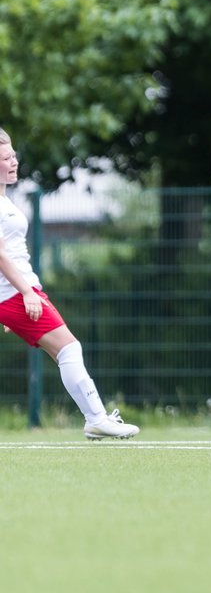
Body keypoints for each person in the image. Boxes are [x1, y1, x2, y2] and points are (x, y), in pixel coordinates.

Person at [0, 129, 138, 439]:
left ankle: (96, 418)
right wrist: (21, 294)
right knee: (69, 348)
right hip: (17, 293)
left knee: (65, 351)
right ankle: (97, 418)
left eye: (14, 155)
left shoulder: (4, 199)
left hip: (16, 294)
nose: (14, 162)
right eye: (7, 158)